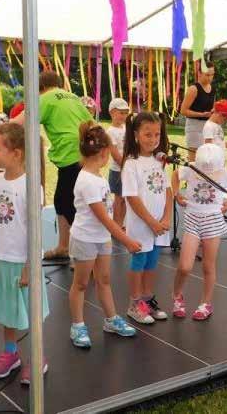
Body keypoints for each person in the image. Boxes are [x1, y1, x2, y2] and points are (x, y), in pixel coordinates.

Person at [0, 123, 49, 385]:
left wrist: (29, 266)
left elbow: (36, 230)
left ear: (17, 153)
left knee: (31, 311)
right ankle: (11, 353)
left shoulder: (31, 186)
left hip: (25, 262)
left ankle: (38, 356)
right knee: (6, 311)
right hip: (1, 259)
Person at [69, 122, 141, 348]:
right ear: (104, 152)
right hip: (85, 239)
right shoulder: (87, 181)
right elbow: (106, 219)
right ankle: (77, 325)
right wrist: (127, 240)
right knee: (81, 284)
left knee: (104, 279)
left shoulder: (98, 178)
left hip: (101, 239)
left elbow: (106, 220)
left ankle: (111, 319)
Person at [11, 71, 93, 261]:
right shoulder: (73, 97)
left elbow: (18, 123)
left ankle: (82, 254)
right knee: (62, 201)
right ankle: (64, 247)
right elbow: (92, 124)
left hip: (70, 155)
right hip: (83, 153)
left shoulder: (45, 98)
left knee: (68, 204)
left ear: (40, 88)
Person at [171, 143, 227, 320]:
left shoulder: (224, 173)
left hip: (213, 220)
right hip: (193, 217)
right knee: (185, 266)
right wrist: (177, 194)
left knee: (208, 265)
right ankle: (177, 295)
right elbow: (175, 175)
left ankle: (205, 303)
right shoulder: (192, 168)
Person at [121, 112, 172, 324]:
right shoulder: (131, 164)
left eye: (156, 134)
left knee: (152, 262)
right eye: (147, 134)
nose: (153, 139)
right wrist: (151, 221)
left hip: (159, 225)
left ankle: (147, 298)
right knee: (139, 261)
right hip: (142, 225)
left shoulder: (160, 161)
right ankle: (135, 303)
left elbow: (168, 191)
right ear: (136, 135)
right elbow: (132, 197)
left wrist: (167, 217)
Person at [180, 61, 216, 161]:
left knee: (207, 158)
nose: (210, 78)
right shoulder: (193, 89)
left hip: (207, 126)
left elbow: (213, 107)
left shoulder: (212, 89)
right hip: (194, 126)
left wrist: (214, 111)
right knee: (194, 158)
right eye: (207, 75)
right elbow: (183, 111)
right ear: (199, 73)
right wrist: (201, 114)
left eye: (212, 75)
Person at [106, 98, 129, 227]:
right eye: (121, 113)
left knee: (126, 198)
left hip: (128, 168)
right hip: (117, 170)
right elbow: (115, 154)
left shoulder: (126, 128)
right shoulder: (110, 132)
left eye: (125, 113)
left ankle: (123, 224)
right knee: (119, 199)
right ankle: (117, 224)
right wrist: (126, 165)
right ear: (112, 113)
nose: (123, 116)